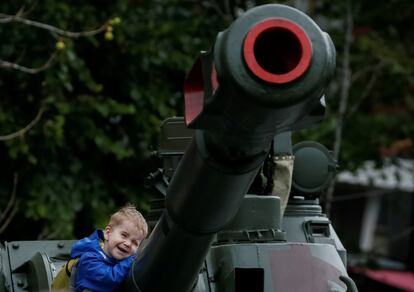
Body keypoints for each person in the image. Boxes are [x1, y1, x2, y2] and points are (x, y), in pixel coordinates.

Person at [71, 203, 148, 292]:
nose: (128, 243)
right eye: (124, 235)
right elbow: (109, 280)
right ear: (108, 233)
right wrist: (132, 260)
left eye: (135, 242)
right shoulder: (89, 258)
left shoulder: (122, 263)